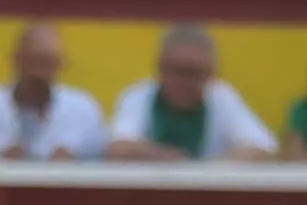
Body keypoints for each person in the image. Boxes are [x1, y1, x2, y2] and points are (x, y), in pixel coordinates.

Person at [107, 25, 276, 163]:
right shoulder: (139, 95)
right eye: (178, 71)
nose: (185, 82)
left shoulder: (221, 96)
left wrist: (207, 167)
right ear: (160, 68)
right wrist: (169, 159)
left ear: (211, 73)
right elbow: (118, 149)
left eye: (195, 73)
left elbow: (264, 150)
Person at [0, 23, 106, 161]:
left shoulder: (83, 110)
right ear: (16, 59)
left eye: (47, 63)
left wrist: (72, 162)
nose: (39, 73)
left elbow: (106, 163)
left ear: (61, 64)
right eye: (33, 61)